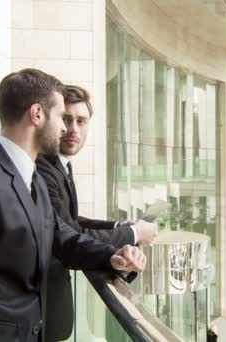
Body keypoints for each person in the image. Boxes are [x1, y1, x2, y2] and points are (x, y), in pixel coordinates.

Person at [0, 69, 146, 342]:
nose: (64, 128)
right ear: (36, 114)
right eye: (60, 116)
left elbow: (62, 237)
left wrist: (112, 256)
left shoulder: (31, 177)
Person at [36, 84, 158, 341]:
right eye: (66, 119)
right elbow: (69, 232)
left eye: (81, 121)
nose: (73, 129)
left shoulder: (60, 166)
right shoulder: (42, 167)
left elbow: (69, 220)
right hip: (38, 307)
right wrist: (133, 233)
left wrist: (117, 226)